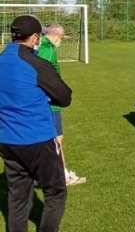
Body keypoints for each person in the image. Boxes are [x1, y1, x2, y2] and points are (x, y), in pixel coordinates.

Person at [0, 15, 73, 231]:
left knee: (18, 198)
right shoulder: (37, 64)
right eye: (39, 36)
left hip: (7, 142)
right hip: (38, 139)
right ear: (33, 37)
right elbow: (64, 97)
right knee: (56, 192)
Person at [38, 23, 86, 186]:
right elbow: (42, 74)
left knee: (47, 139)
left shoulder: (40, 47)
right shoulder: (48, 50)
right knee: (57, 139)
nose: (61, 41)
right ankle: (63, 176)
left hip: (44, 100)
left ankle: (41, 175)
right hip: (50, 101)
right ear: (55, 35)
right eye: (62, 38)